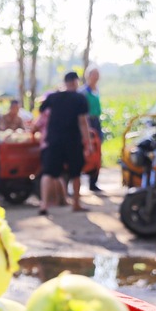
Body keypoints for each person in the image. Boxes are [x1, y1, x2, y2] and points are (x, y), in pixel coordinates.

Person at [37, 72, 93, 215]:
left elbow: (42, 112)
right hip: (72, 141)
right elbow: (82, 122)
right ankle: (76, 203)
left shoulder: (53, 97)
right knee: (75, 173)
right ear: (76, 82)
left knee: (48, 172)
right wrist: (88, 142)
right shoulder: (80, 98)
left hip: (53, 141)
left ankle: (43, 205)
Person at [83, 65, 104, 192]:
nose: (96, 77)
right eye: (94, 74)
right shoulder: (84, 92)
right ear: (88, 76)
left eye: (97, 74)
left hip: (96, 121)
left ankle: (93, 182)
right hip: (87, 122)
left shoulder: (97, 90)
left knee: (97, 153)